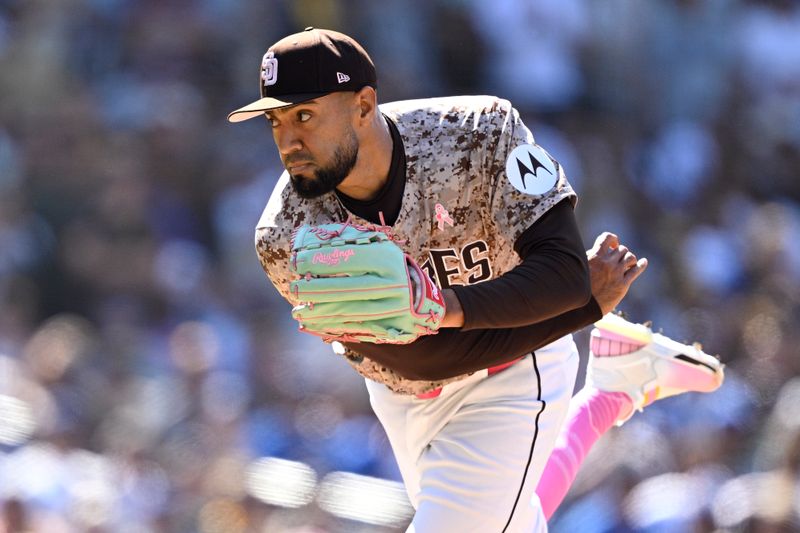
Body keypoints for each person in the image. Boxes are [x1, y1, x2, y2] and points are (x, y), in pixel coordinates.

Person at [228, 27, 724, 532]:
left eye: (304, 115)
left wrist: (446, 306)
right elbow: (421, 358)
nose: (288, 140)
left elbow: (562, 270)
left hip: (518, 366)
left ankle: (609, 391)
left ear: (363, 103)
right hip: (405, 395)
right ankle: (609, 393)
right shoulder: (287, 234)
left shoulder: (478, 132)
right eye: (275, 121)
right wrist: (581, 312)